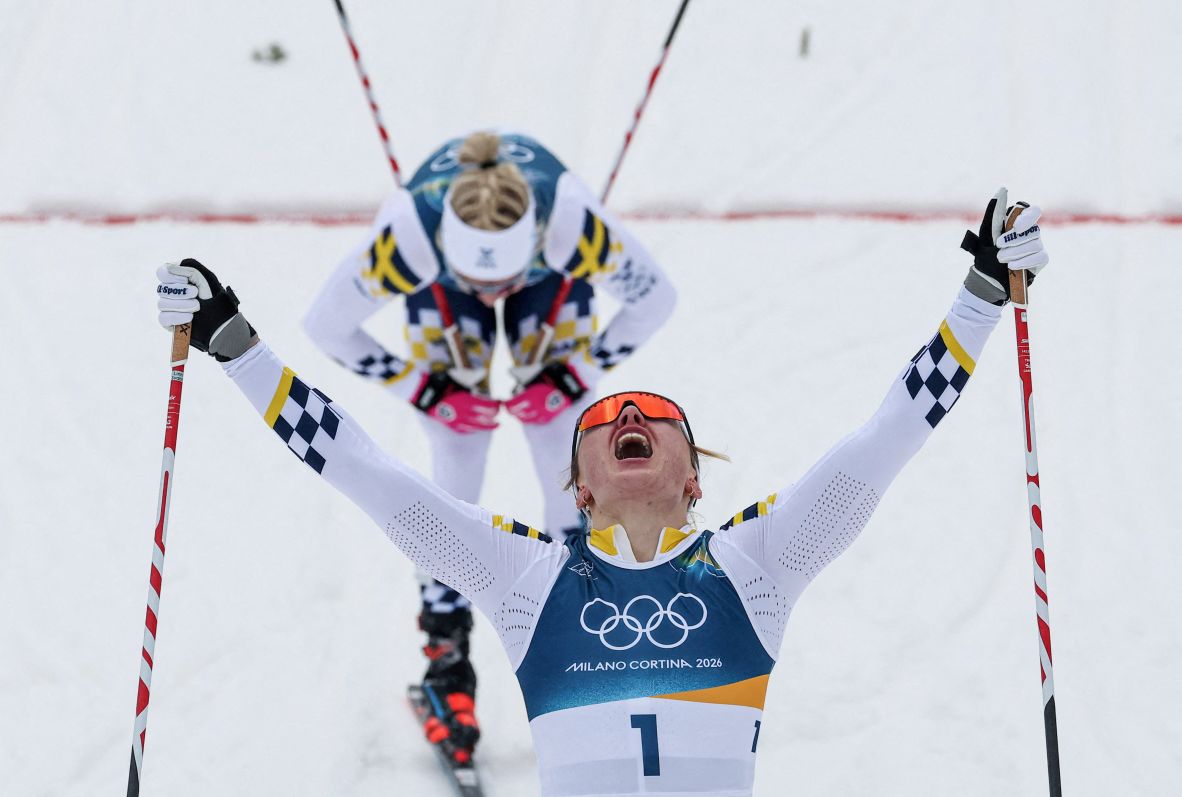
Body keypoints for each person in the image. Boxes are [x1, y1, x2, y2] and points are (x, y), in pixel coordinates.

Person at [155, 188, 1049, 797]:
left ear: (694, 478)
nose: (627, 412)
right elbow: (372, 476)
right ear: (578, 488)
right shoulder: (525, 578)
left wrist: (981, 291)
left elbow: (885, 437)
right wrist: (235, 344)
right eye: (607, 417)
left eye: (653, 416)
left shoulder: (756, 563)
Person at [300, 130, 677, 755]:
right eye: (481, 280)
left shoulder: (570, 225)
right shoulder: (410, 241)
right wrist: (427, 391)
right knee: (459, 436)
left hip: (549, 280)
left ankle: (588, 643)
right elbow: (327, 325)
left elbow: (656, 299)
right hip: (439, 287)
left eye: (500, 280)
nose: (492, 295)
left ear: (531, 242)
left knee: (562, 433)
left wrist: (569, 378)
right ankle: (445, 659)